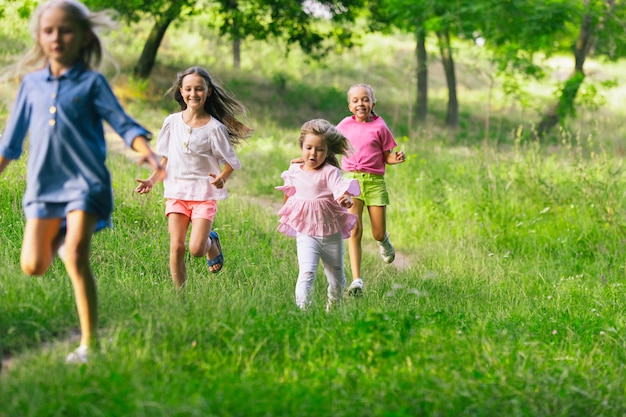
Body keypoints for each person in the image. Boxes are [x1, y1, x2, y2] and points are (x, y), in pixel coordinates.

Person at [0, 0, 164, 364]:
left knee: (76, 255)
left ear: (84, 37)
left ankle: (89, 345)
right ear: (40, 37)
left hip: (85, 183)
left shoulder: (92, 83)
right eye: (49, 31)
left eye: (66, 30)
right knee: (33, 266)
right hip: (43, 188)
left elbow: (123, 123)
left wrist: (146, 151)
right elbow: (10, 143)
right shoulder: (31, 85)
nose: (57, 37)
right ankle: (60, 238)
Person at [135, 66, 252, 289]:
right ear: (181, 91)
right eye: (188, 89)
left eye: (199, 89)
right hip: (177, 192)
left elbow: (231, 162)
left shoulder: (215, 128)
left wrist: (222, 178)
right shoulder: (171, 122)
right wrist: (151, 180)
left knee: (196, 249)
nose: (193, 93)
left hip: (204, 194)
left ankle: (211, 242)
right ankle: (181, 297)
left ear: (208, 92)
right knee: (176, 246)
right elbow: (166, 158)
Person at [276, 119, 360, 311]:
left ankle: (333, 306)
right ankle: (303, 312)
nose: (313, 153)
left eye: (320, 149)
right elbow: (289, 193)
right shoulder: (295, 170)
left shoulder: (330, 172)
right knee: (306, 272)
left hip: (330, 234)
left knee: (337, 278)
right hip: (306, 233)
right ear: (301, 147)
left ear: (328, 151)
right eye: (309, 148)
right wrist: (286, 216)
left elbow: (339, 189)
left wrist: (345, 199)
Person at [337, 84, 406, 296]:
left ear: (373, 104)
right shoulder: (343, 126)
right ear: (350, 105)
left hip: (375, 182)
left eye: (365, 100)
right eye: (356, 100)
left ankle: (383, 241)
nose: (361, 104)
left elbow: (387, 155)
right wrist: (306, 158)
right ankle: (357, 280)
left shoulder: (380, 126)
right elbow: (326, 146)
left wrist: (396, 159)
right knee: (354, 230)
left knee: (376, 232)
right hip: (351, 181)